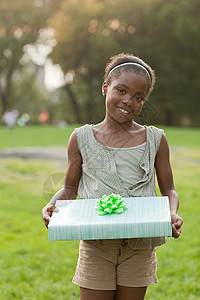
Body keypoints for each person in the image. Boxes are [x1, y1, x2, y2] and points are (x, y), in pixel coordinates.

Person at [42, 53, 183, 300]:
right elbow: (69, 189)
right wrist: (52, 205)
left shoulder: (156, 139)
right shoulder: (81, 138)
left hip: (139, 247)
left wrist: (170, 213)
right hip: (96, 246)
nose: (129, 101)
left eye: (139, 97)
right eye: (121, 90)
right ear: (105, 87)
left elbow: (169, 189)